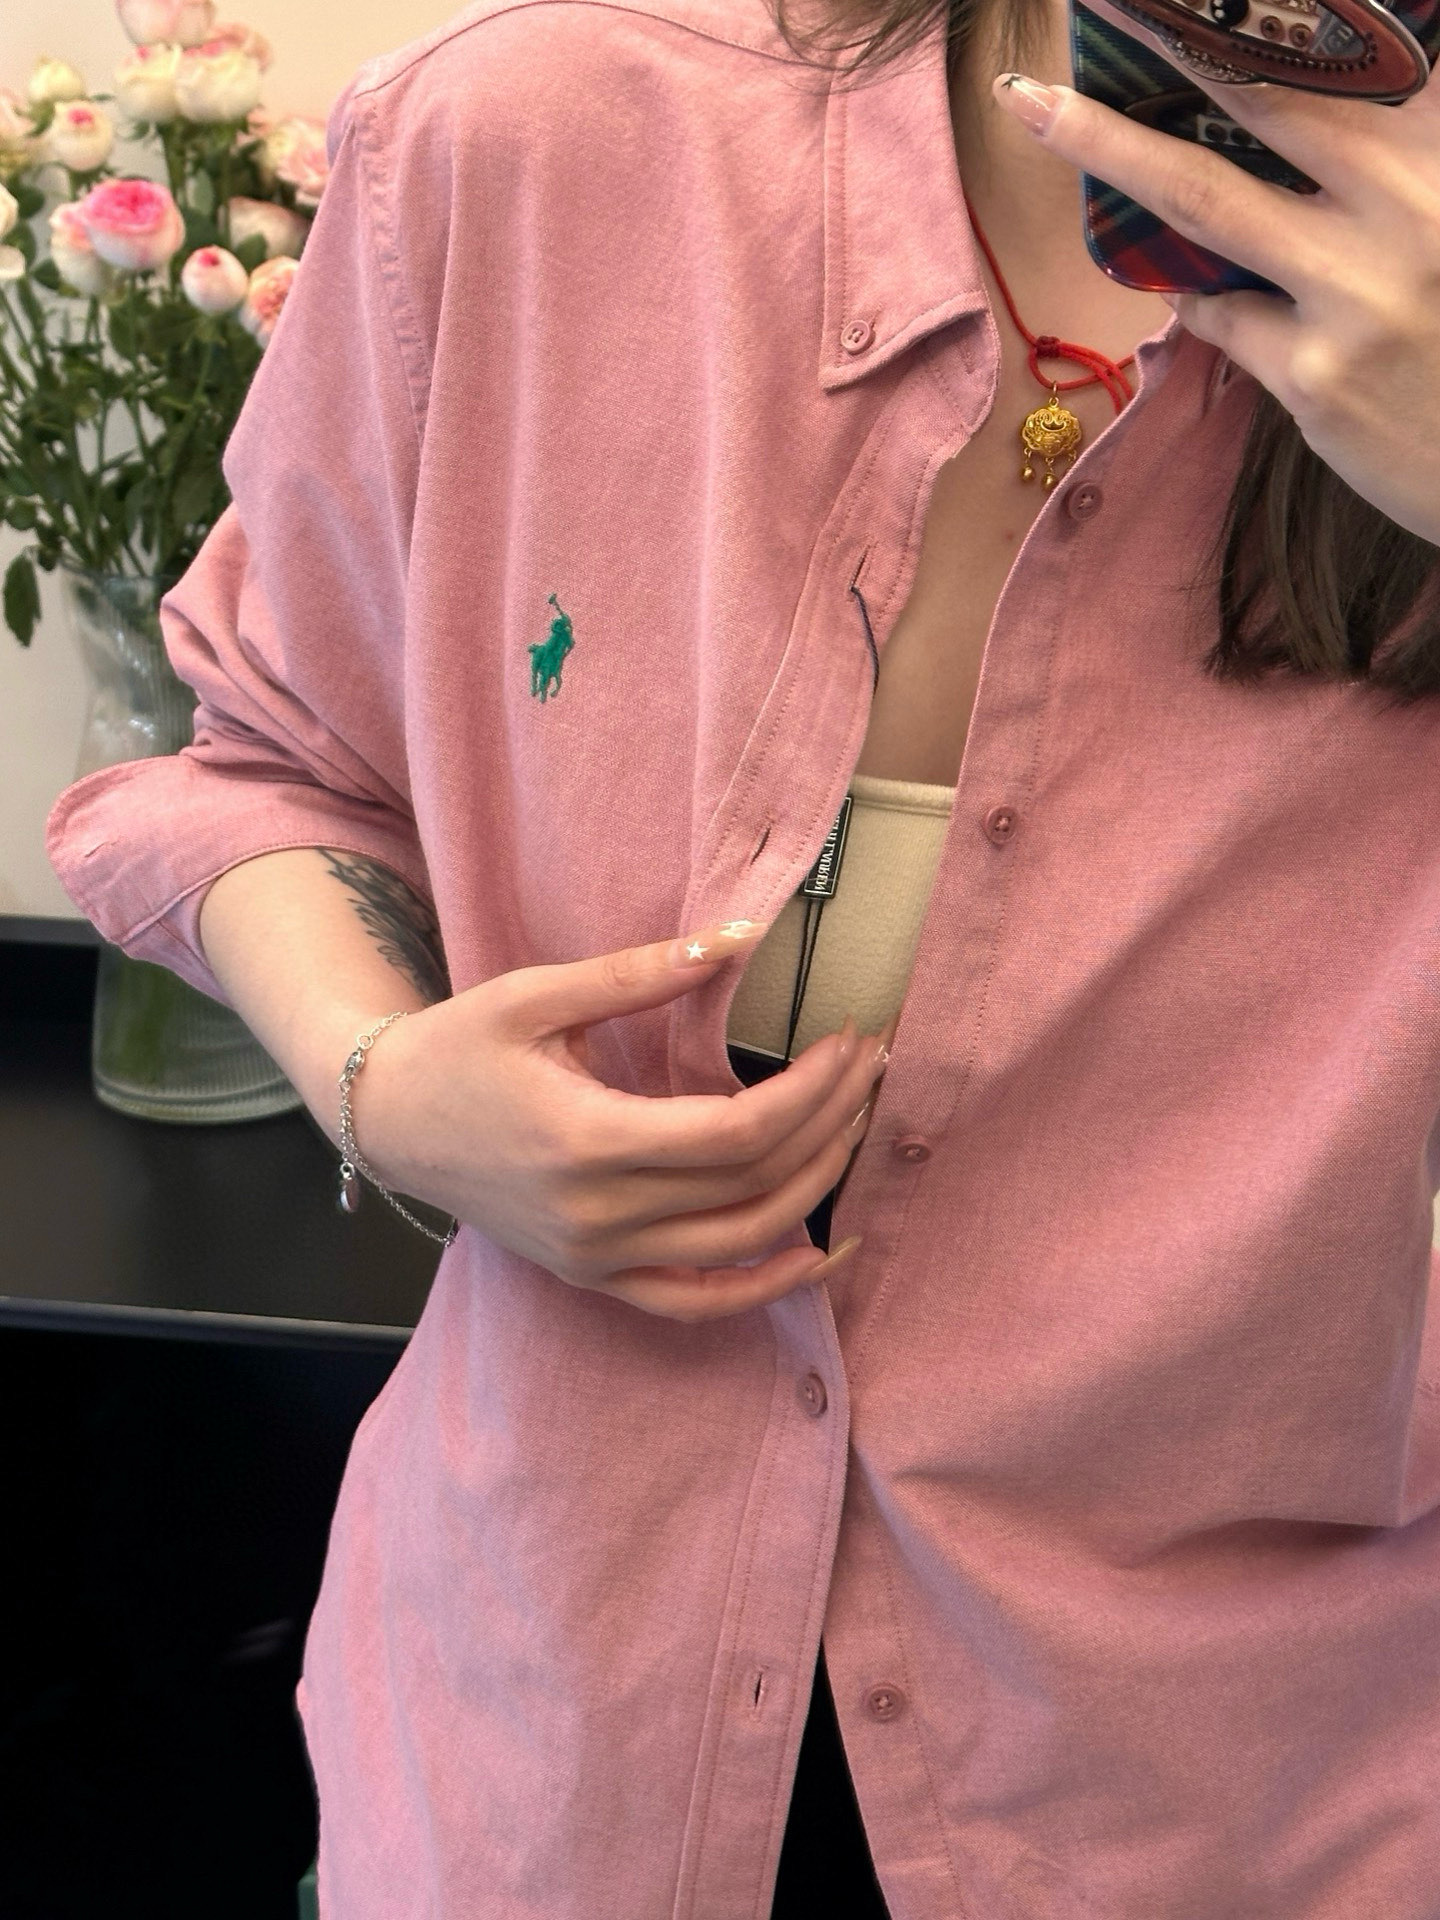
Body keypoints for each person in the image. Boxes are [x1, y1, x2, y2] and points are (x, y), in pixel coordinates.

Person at [45, 0, 1440, 1907]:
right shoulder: (533, 141)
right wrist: (390, 1081)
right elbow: (271, 764)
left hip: (1223, 1795)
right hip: (545, 1740)